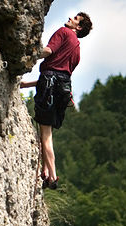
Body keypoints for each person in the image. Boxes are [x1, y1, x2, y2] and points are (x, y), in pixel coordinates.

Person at [20, 12, 93, 189]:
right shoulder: (77, 47)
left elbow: (48, 52)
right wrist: (26, 84)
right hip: (63, 89)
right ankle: (44, 172)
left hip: (50, 85)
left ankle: (52, 176)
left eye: (75, 19)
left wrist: (27, 54)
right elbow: (60, 74)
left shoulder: (63, 32)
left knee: (45, 135)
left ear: (79, 27)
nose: (70, 18)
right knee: (47, 131)